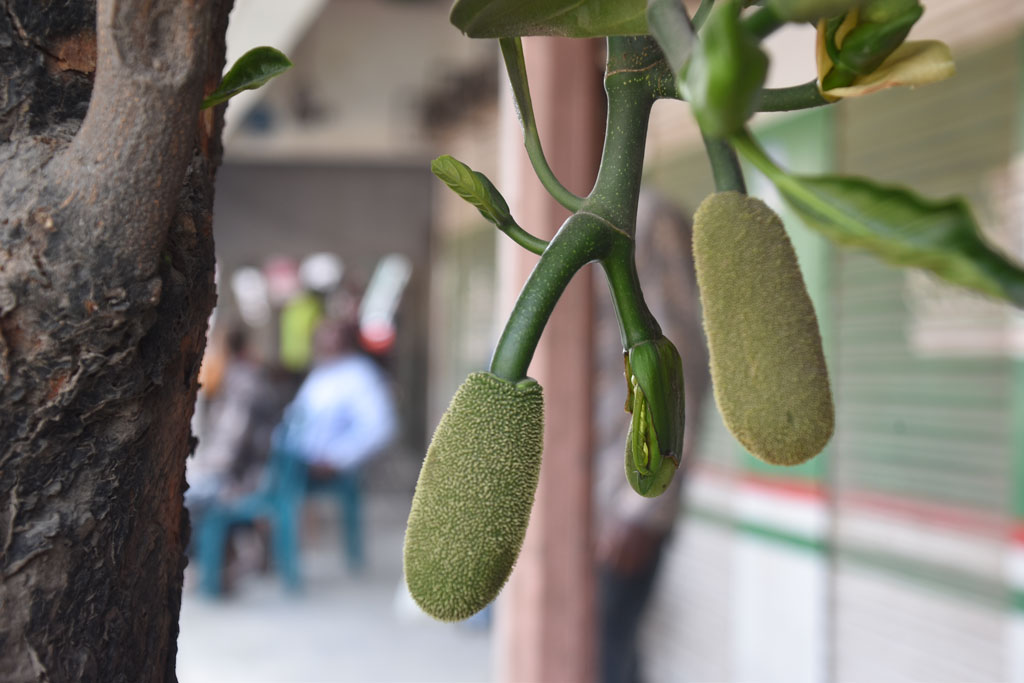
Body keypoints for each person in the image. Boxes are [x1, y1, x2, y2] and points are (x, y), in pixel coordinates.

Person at [594, 192, 710, 683]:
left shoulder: (645, 218)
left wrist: (643, 507)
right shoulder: (551, 220)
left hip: (620, 509)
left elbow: (680, 361)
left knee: (604, 658)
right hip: (576, 509)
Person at [286, 318, 397, 475]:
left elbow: (379, 427)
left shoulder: (360, 375)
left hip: (332, 476)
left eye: (333, 336)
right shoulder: (321, 372)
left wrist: (336, 459)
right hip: (298, 470)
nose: (326, 342)